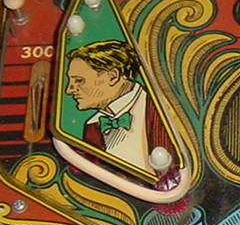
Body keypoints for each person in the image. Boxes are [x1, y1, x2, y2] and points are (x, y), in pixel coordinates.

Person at [63, 40, 172, 173]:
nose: (69, 90)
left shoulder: (160, 108)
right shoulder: (93, 125)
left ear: (113, 76)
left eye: (79, 80)